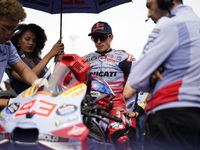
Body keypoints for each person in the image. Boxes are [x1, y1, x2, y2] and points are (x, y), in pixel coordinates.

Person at [127, 0, 200, 150]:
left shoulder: (169, 24)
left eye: (150, 6)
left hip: (169, 116)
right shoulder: (195, 23)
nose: (148, 14)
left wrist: (153, 71)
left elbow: (134, 81)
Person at [83, 21, 136, 150]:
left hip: (116, 108)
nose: (98, 42)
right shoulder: (84, 60)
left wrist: (136, 112)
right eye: (94, 38)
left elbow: (142, 82)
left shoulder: (124, 58)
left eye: (102, 37)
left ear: (111, 37)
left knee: (120, 139)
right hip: (90, 109)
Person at [0, 0, 41, 108]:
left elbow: (23, 70)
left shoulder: (7, 46)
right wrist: (9, 102)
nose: (11, 34)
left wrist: (37, 83)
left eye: (13, 29)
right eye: (7, 28)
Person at [5, 23, 64, 94]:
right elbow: (29, 76)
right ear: (19, 40)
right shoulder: (14, 60)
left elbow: (51, 83)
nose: (31, 43)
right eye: (27, 39)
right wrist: (49, 55)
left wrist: (57, 63)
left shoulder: (38, 61)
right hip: (25, 102)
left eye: (34, 41)